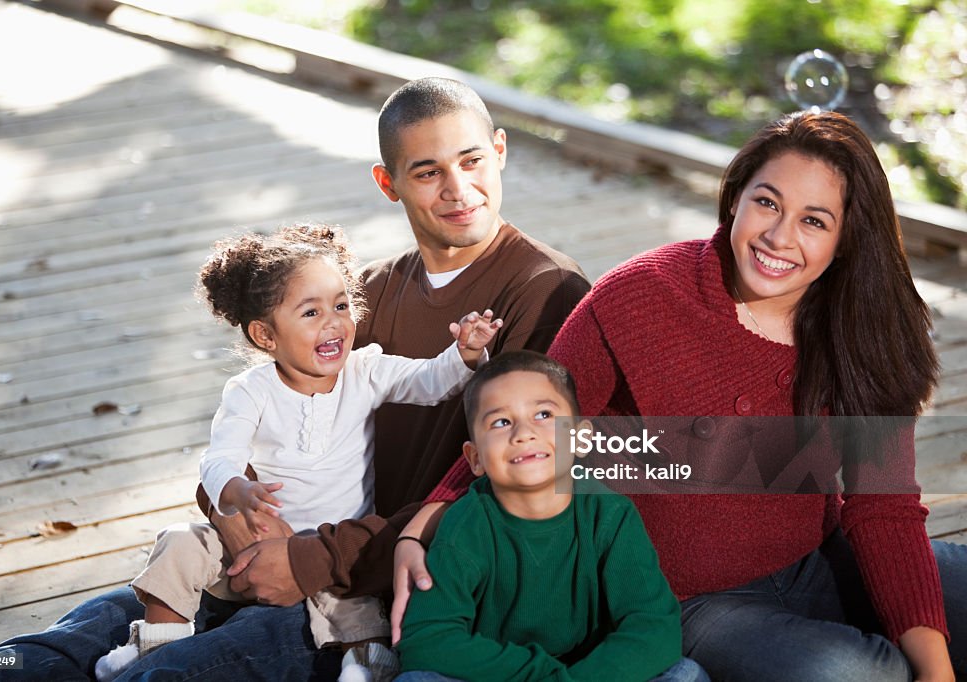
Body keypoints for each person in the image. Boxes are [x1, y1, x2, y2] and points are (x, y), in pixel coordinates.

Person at [0, 78, 590, 680]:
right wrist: (232, 508)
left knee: (156, 672)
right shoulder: (368, 291)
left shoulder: (546, 292)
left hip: (372, 599)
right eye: (428, 171)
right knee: (60, 646)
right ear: (388, 184)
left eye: (471, 161)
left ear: (500, 152)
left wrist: (314, 560)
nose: (457, 188)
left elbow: (516, 489)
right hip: (280, 551)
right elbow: (269, 411)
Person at [406, 111, 967, 681]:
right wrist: (425, 521)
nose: (779, 237)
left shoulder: (860, 327)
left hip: (815, 559)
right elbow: (529, 415)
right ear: (734, 200)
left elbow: (883, 508)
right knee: (859, 673)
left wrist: (935, 665)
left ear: (848, 239)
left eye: (815, 221)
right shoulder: (641, 296)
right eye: (767, 203)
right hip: (688, 600)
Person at [92, 225, 502, 681]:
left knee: (356, 593)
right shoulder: (251, 391)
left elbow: (431, 382)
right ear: (266, 335)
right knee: (179, 541)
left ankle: (367, 660)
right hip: (248, 547)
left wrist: (464, 353)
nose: (333, 322)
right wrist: (237, 490)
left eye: (341, 306)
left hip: (325, 544)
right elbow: (218, 457)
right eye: (311, 312)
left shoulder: (365, 371)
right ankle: (157, 639)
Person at [395, 351, 708, 682]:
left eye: (543, 414)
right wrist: (543, 676)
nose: (523, 433)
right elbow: (427, 640)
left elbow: (654, 626)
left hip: (594, 673)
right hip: (497, 673)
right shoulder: (465, 525)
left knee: (686, 674)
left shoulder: (610, 515)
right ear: (475, 459)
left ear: (582, 439)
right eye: (501, 422)